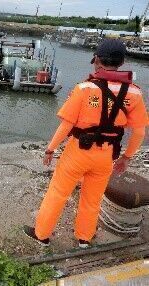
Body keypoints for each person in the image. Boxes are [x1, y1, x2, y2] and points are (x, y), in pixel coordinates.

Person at [23, 39, 148, 248]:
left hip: (78, 152)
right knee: (92, 199)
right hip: (107, 155)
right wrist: (126, 157)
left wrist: (50, 149)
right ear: (122, 61)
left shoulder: (84, 88)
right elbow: (139, 132)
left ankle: (42, 234)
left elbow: (66, 126)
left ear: (97, 60)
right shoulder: (134, 93)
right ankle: (84, 238)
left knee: (58, 193)